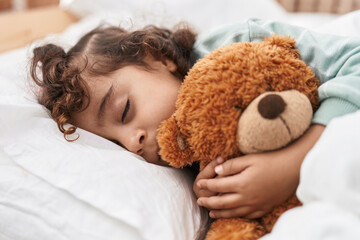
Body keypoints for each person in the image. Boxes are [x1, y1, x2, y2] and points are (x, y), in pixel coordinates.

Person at [30, 19, 360, 221]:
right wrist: (215, 194)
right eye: (115, 144)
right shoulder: (181, 155)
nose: (132, 143)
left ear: (158, 58)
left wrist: (295, 162)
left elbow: (354, 61)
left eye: (124, 111)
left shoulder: (233, 47)